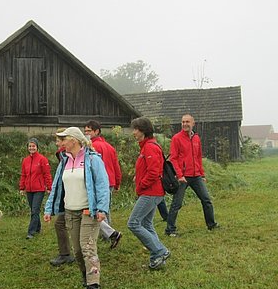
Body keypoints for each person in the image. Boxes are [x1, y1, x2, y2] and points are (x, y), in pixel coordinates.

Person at [44, 127, 109, 289]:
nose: (61, 143)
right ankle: (85, 276)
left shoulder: (92, 160)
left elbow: (102, 185)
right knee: (78, 250)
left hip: (88, 211)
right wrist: (49, 209)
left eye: (63, 139)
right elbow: (57, 186)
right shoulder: (64, 161)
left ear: (73, 140)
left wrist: (102, 208)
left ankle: (93, 285)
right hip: (70, 212)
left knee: (88, 248)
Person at [127, 117, 170, 270]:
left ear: (143, 130)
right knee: (146, 223)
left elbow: (154, 173)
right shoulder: (146, 146)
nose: (134, 132)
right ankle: (157, 258)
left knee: (133, 223)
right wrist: (137, 177)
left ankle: (160, 250)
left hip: (151, 192)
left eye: (136, 129)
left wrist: (140, 185)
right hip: (151, 191)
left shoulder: (150, 147)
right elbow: (148, 169)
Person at [165, 114, 219, 237]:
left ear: (193, 123)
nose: (185, 124)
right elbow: (173, 158)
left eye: (187, 122)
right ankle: (170, 229)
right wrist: (179, 175)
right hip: (182, 177)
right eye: (183, 122)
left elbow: (198, 157)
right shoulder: (176, 138)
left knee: (207, 200)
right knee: (176, 204)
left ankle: (211, 224)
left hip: (196, 176)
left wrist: (202, 174)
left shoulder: (196, 138)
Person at [84, 120, 122, 248]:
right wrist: (117, 182)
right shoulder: (110, 147)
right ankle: (109, 234)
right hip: (110, 181)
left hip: (98, 182)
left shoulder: (91, 147)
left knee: (98, 209)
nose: (86, 133)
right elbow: (116, 166)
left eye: (89, 131)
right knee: (105, 208)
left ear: (96, 131)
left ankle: (109, 234)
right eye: (85, 131)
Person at [49, 130, 75, 266]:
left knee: (62, 224)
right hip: (67, 197)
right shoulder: (64, 156)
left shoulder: (68, 155)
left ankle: (67, 254)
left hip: (72, 198)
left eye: (59, 140)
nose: (57, 143)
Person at [19, 138, 52, 239]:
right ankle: (37, 228)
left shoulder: (42, 159)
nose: (31, 148)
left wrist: (49, 186)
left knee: (34, 210)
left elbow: (47, 174)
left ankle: (31, 232)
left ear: (37, 147)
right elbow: (23, 175)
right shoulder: (25, 160)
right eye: (30, 146)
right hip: (29, 189)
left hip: (39, 189)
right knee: (34, 210)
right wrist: (22, 187)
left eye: (33, 146)